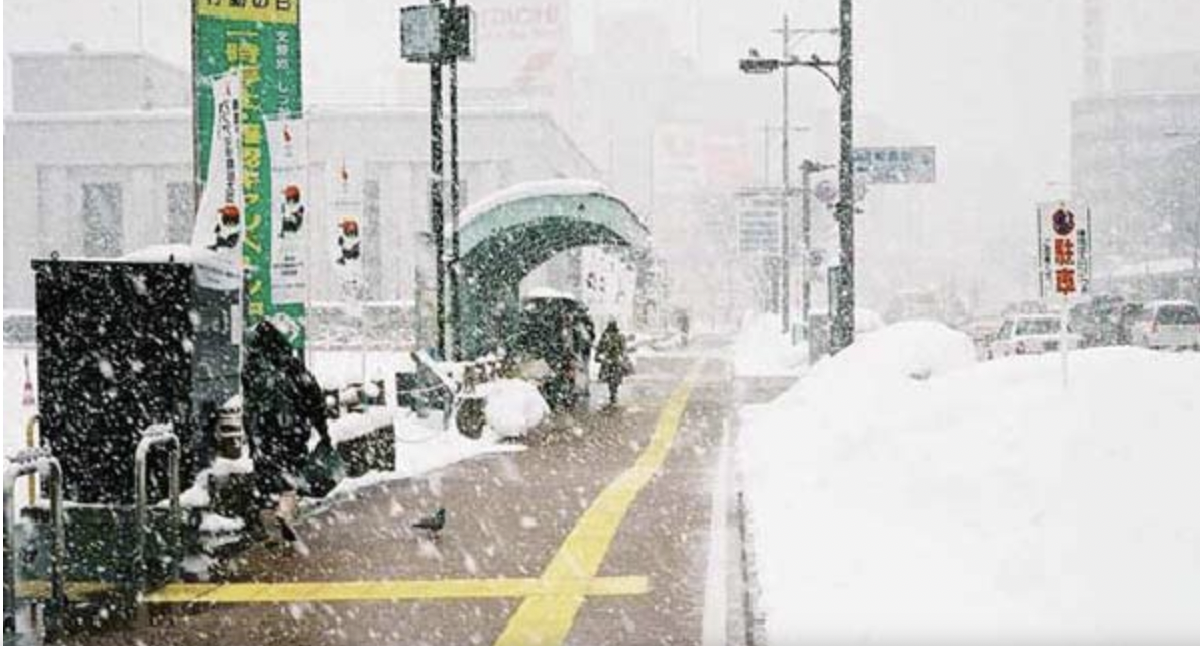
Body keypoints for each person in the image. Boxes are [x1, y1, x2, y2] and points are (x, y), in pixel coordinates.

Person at [242, 321, 330, 544]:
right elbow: (314, 398)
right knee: (292, 476)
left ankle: (266, 525)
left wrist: (252, 436)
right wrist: (323, 430)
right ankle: (285, 513)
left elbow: (249, 403)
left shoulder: (251, 368)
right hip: (293, 430)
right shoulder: (291, 364)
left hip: (262, 431)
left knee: (265, 476)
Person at [596, 321, 630, 406]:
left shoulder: (605, 336)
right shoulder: (620, 337)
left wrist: (598, 356)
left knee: (610, 378)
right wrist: (624, 358)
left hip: (608, 361)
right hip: (616, 361)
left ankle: (612, 392)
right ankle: (614, 392)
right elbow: (623, 349)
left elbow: (600, 348)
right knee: (615, 378)